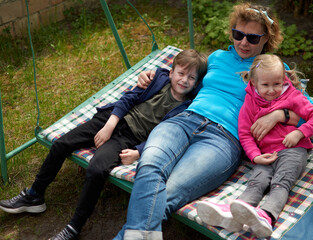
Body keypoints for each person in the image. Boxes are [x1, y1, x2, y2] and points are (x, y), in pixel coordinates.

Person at [113, 3, 313, 240]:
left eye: (252, 38)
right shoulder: (217, 57)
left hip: (223, 139)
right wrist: (151, 76)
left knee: (170, 192)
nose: (243, 42)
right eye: (238, 34)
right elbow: (184, 78)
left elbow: (307, 111)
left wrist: (278, 115)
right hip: (184, 121)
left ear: (266, 39)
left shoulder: (273, 69)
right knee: (149, 167)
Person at [0, 49, 207, 240]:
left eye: (191, 77)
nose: (184, 80)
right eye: (181, 73)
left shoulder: (187, 107)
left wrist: (138, 151)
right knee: (62, 143)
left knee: (97, 168)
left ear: (196, 83)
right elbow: (128, 98)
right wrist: (109, 125)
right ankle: (35, 195)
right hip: (112, 119)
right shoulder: (159, 78)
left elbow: (167, 135)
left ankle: (74, 226)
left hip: (129, 138)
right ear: (171, 72)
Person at [197, 54, 313, 238]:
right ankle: (234, 213)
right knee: (257, 181)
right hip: (266, 154)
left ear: (283, 80)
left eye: (277, 83)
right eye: (265, 85)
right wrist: (255, 156)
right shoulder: (250, 102)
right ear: (254, 83)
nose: (272, 90)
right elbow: (245, 133)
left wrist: (299, 133)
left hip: (292, 149)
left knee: (281, 182)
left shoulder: (293, 96)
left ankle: (266, 215)